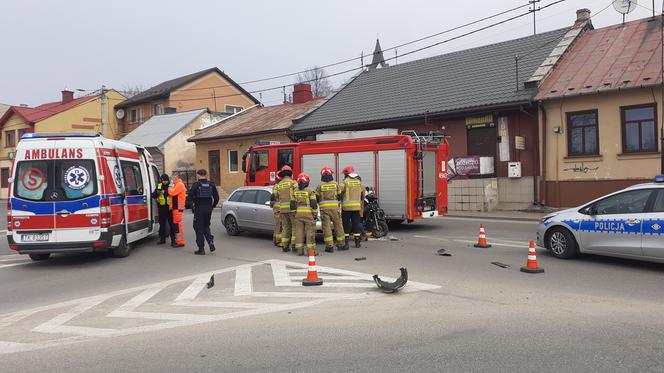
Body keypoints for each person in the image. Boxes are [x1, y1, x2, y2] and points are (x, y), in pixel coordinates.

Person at [187, 169, 220, 255]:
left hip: (199, 209)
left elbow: (189, 198)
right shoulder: (211, 185)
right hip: (208, 208)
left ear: (198, 175)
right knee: (206, 225)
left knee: (198, 228)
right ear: (206, 174)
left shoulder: (196, 185)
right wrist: (212, 206)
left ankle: (201, 249)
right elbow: (216, 198)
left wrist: (191, 206)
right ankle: (210, 242)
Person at [315, 167, 345, 253]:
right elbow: (340, 196)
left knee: (326, 227)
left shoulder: (320, 185)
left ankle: (329, 245)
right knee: (338, 225)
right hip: (335, 209)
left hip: (324, 209)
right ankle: (341, 244)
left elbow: (316, 198)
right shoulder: (335, 184)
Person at [339, 166, 365, 249]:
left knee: (346, 225)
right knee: (356, 224)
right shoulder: (359, 182)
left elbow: (339, 192)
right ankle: (357, 242)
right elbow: (362, 194)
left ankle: (346, 242)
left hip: (346, 208)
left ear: (346, 174)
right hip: (356, 208)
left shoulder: (344, 182)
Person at [272, 165, 296, 252]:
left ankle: (285, 246)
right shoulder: (293, 183)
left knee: (285, 227)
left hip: (282, 209)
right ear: (290, 174)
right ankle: (294, 245)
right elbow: (297, 194)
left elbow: (275, 197)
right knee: (294, 227)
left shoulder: (278, 185)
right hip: (292, 209)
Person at [292, 173, 317, 256]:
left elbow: (292, 205)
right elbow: (313, 204)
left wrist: (295, 213)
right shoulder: (310, 191)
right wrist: (315, 214)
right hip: (308, 214)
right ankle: (310, 252)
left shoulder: (295, 191)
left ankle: (300, 251)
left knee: (299, 232)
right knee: (310, 232)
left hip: (298, 214)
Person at [152, 174, 175, 246]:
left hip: (170, 208)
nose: (164, 182)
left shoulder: (171, 186)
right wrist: (157, 193)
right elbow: (153, 195)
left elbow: (174, 193)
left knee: (172, 225)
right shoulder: (159, 185)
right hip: (162, 208)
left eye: (165, 180)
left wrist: (164, 192)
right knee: (162, 224)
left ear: (168, 180)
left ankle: (173, 240)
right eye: (163, 180)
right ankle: (162, 239)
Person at [168, 175, 186, 248]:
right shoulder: (177, 184)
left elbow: (172, 192)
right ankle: (179, 241)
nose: (171, 180)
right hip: (176, 208)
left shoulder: (179, 184)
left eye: (172, 179)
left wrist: (169, 187)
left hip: (177, 208)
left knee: (178, 226)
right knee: (177, 225)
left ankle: (180, 242)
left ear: (176, 178)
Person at [271, 175, 283, 247]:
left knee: (277, 225)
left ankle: (275, 240)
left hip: (277, 208)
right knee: (279, 225)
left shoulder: (275, 186)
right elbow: (276, 196)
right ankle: (278, 241)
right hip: (278, 208)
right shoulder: (277, 186)